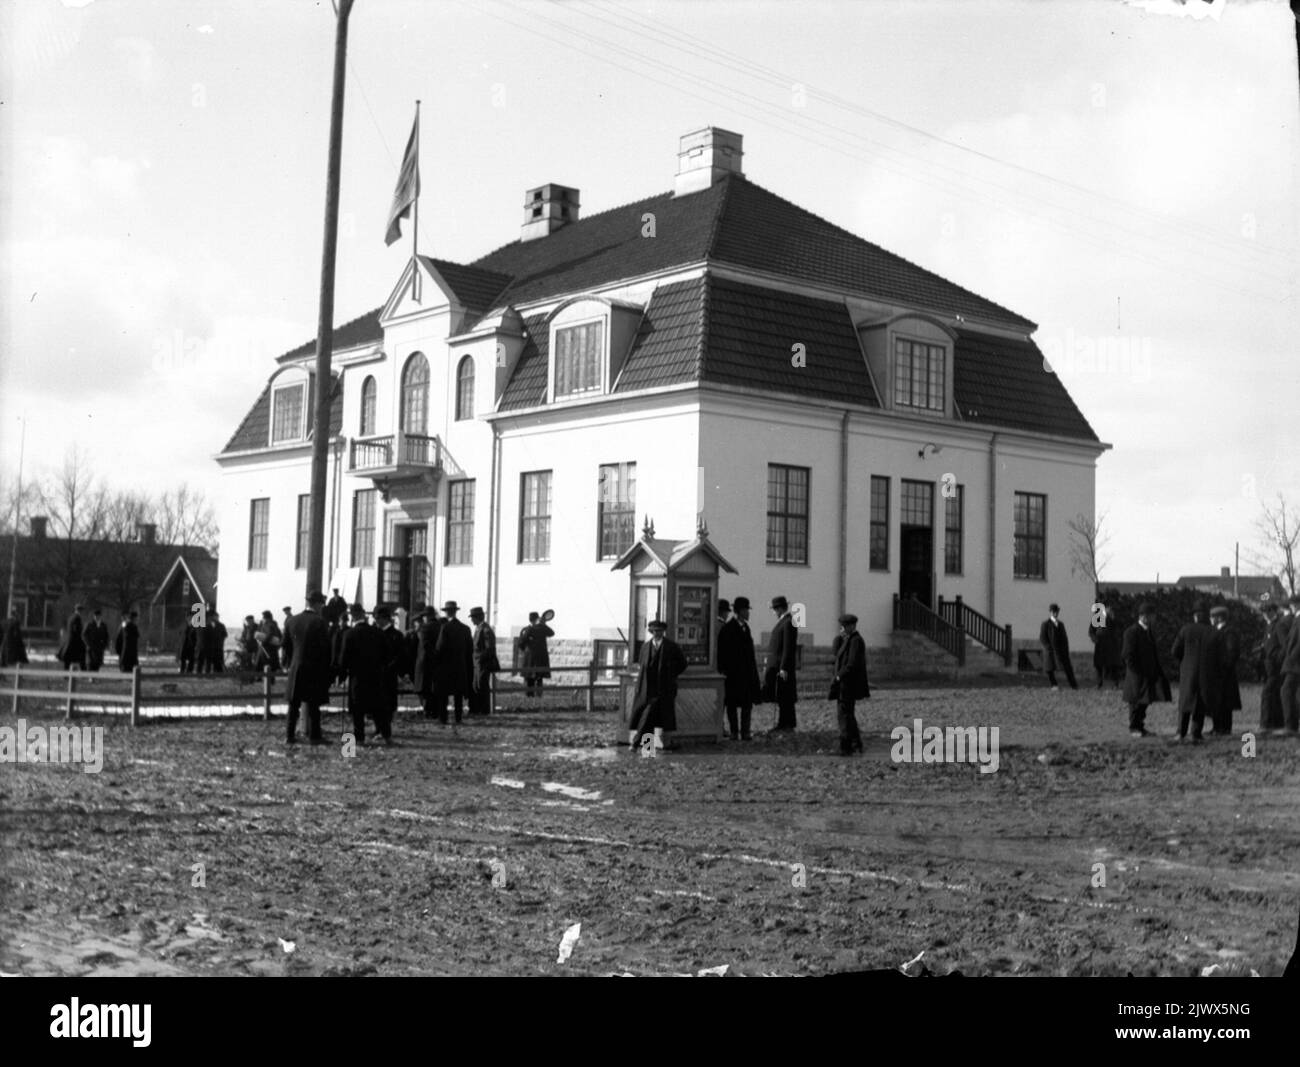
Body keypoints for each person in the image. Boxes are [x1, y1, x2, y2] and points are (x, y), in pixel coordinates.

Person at [629, 618, 687, 752]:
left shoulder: (671, 647)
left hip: (664, 689)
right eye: (654, 631)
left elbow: (683, 664)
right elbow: (642, 666)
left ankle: (639, 744)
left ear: (663, 632)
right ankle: (647, 748)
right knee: (649, 717)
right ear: (651, 632)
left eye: (659, 631)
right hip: (646, 689)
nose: (657, 634)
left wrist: (670, 675)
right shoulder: (645, 647)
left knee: (650, 716)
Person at [281, 590, 332, 744]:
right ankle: (315, 736)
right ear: (317, 604)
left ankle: (289, 736)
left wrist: (291, 662)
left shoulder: (291, 621)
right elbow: (325, 649)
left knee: (293, 704)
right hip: (314, 668)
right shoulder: (320, 622)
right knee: (314, 705)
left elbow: (286, 646)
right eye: (321, 604)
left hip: (296, 667)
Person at [339, 603, 386, 746]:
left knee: (357, 709)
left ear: (352, 616)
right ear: (364, 614)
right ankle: (384, 734)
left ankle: (358, 739)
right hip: (375, 676)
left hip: (357, 677)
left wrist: (342, 675)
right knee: (377, 706)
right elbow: (386, 654)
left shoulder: (349, 634)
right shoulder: (377, 632)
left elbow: (343, 659)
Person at [717, 595, 761, 740]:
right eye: (746, 610)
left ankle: (745, 731)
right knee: (732, 704)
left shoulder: (746, 628)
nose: (748, 613)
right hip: (733, 674)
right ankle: (735, 731)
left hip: (746, 673)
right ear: (740, 611)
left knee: (747, 704)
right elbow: (723, 653)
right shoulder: (728, 629)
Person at [1121, 602, 1168, 738]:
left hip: (1147, 674)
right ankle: (1134, 728)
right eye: (1152, 616)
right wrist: (1136, 672)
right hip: (1137, 675)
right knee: (1135, 703)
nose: (1154, 619)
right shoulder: (1132, 632)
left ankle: (1140, 727)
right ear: (1144, 617)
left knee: (1144, 703)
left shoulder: (1148, 631)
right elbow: (1127, 655)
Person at [1171, 603, 1214, 744]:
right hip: (1206, 672)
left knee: (1185, 702)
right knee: (1200, 703)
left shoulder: (1185, 630)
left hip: (1188, 671)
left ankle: (1180, 732)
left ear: (1195, 616)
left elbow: (1175, 651)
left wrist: (1184, 663)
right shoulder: (1212, 631)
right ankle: (1196, 732)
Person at [831, 613, 870, 756]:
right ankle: (856, 743)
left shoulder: (856, 641)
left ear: (852, 626)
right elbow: (836, 654)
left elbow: (851, 663)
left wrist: (839, 675)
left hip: (848, 684)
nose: (841, 629)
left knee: (844, 716)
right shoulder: (846, 640)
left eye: (844, 626)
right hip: (845, 684)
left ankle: (846, 746)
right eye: (841, 626)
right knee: (848, 715)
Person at [434, 601, 474, 725]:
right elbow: (470, 650)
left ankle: (443, 718)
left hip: (446, 667)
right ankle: (458, 718)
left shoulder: (445, 628)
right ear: (455, 612)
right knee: (458, 694)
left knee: (443, 694)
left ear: (446, 612)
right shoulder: (465, 629)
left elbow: (439, 648)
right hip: (460, 666)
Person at [765, 595, 798, 731]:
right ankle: (784, 722)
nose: (773, 612)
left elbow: (788, 647)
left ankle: (787, 723)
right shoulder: (783, 622)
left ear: (779, 609)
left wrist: (783, 667)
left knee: (785, 696)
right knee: (782, 695)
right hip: (778, 665)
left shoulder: (788, 622)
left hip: (783, 666)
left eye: (774, 609)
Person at [1206, 605, 1241, 736]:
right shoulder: (1217, 631)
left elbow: (1232, 652)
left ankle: (1224, 728)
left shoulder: (1228, 632)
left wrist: (1224, 666)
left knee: (1225, 702)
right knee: (1218, 701)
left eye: (1212, 617)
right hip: (1218, 673)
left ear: (1219, 618)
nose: (1210, 619)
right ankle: (1217, 727)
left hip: (1225, 673)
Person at [373, 605, 405, 742]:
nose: (376, 621)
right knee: (375, 703)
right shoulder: (373, 634)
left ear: (385, 619)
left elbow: (401, 656)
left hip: (389, 675)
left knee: (388, 704)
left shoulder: (396, 635)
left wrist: (390, 668)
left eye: (378, 618)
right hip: (376, 674)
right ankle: (378, 729)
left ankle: (385, 730)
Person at [1259, 601, 1287, 731]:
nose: (1264, 615)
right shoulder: (1269, 626)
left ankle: (1265, 724)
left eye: (1266, 612)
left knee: (1267, 694)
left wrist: (1277, 659)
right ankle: (1276, 722)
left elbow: (1284, 646)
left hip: (1275, 667)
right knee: (1274, 695)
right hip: (1268, 666)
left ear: (1272, 612)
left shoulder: (1278, 626)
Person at [413, 607, 444, 719]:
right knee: (434, 689)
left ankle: (428, 711)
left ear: (427, 616)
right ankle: (435, 711)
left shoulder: (425, 628)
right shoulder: (441, 626)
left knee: (424, 689)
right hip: (439, 662)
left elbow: (425, 646)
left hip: (425, 663)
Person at [469, 607, 500, 717]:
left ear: (477, 618)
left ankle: (484, 710)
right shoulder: (478, 628)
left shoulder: (486, 629)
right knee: (477, 686)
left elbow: (489, 648)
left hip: (483, 663)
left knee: (482, 686)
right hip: (477, 663)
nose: (471, 620)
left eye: (472, 618)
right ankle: (479, 709)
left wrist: (480, 659)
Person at [1038, 603, 1077, 690]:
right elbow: (1042, 638)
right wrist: (1048, 648)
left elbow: (1064, 638)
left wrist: (1066, 649)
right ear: (1051, 612)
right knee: (1050, 669)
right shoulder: (1046, 624)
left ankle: (1074, 685)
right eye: (1053, 612)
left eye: (1056, 612)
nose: (1055, 613)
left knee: (1067, 668)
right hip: (1051, 650)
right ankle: (1054, 685)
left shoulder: (1061, 624)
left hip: (1061, 650)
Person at [518, 612, 553, 698]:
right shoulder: (541, 628)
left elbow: (521, 643)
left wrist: (525, 650)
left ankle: (530, 696)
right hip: (540, 658)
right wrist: (543, 624)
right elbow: (551, 633)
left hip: (530, 657)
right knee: (538, 677)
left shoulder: (528, 629)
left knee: (530, 678)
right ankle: (538, 696)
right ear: (537, 618)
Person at [1088, 605, 1122, 689]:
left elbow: (1119, 629)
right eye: (1108, 608)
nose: (1109, 610)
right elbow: (1091, 631)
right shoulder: (1098, 618)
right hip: (1100, 646)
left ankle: (1116, 684)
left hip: (1112, 645)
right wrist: (1095, 639)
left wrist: (1113, 619)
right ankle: (1099, 683)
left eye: (1110, 609)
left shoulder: (1113, 619)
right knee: (1099, 665)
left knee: (1114, 666)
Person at [1283, 595, 1300, 737]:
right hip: (1294, 663)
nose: (1291, 608)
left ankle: (1291, 725)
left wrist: (1291, 657)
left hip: (1295, 664)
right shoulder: (1296, 620)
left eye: (1292, 605)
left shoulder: (1298, 620)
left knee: (1287, 691)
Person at [58, 604, 87, 671]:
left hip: (70, 641)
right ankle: (84, 672)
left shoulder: (71, 617)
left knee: (68, 659)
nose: (82, 613)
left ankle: (67, 674)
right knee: (81, 656)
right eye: (81, 611)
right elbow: (76, 630)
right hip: (75, 641)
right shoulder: (77, 618)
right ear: (79, 611)